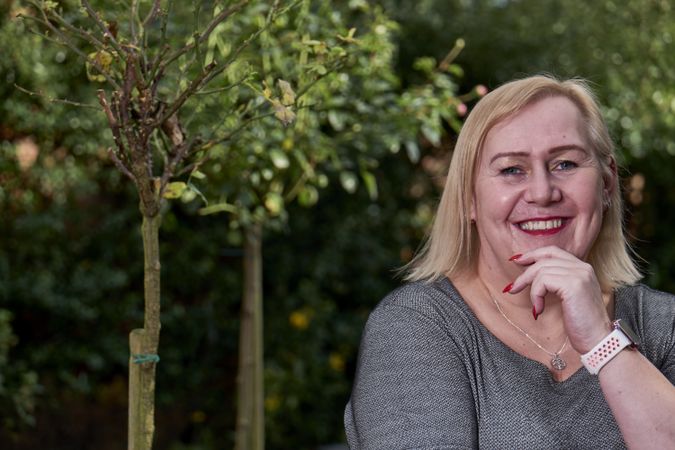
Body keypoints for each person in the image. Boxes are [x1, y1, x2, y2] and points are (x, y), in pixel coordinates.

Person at [344, 75, 675, 449]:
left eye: (565, 164)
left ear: (607, 184)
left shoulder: (664, 325)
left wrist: (603, 340)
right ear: (469, 198)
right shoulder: (416, 327)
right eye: (511, 170)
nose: (542, 192)